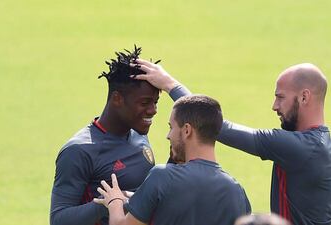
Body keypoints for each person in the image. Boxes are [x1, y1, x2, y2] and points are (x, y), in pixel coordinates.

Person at [133, 59, 331, 225]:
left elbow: (220, 128)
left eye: (280, 97)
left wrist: (170, 84)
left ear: (304, 97)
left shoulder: (299, 148)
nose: (274, 106)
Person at [94, 95, 252, 225]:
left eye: (171, 127)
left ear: (187, 130)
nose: (168, 135)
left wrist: (114, 201)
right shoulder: (237, 191)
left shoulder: (162, 176)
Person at [50, 47, 160, 225]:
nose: (153, 110)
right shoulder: (79, 151)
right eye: (145, 102)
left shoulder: (138, 134)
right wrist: (109, 202)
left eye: (155, 102)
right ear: (117, 99)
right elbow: (59, 219)